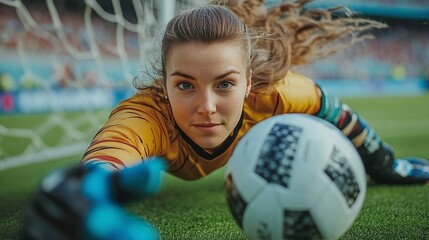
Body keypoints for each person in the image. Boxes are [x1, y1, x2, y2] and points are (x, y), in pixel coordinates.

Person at [22, 0, 429, 239]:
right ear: (163, 85)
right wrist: (83, 192)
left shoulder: (278, 93)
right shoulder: (146, 117)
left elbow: (340, 114)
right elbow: (108, 160)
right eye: (185, 86)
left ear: (249, 82)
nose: (207, 106)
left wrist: (385, 163)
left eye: (225, 84)